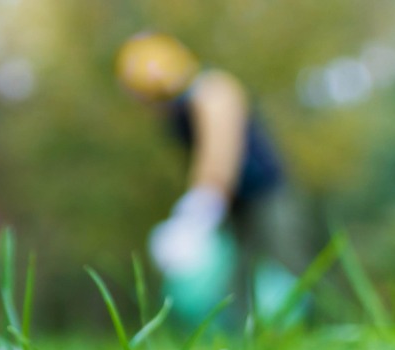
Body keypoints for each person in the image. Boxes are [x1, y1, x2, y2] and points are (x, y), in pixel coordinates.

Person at [116, 33, 307, 326]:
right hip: (234, 203)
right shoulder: (177, 114)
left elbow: (220, 151)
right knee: (237, 276)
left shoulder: (212, 91)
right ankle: (249, 340)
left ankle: (306, 334)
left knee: (285, 266)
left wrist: (202, 203)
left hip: (267, 193)